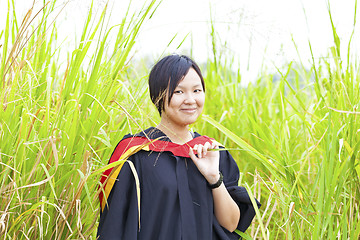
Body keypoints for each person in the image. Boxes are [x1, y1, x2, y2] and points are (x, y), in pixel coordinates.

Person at [97, 54, 260, 240]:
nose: (190, 100)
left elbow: (231, 224)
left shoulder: (212, 151)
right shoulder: (135, 154)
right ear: (157, 96)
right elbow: (115, 225)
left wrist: (214, 178)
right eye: (178, 92)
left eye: (197, 90)